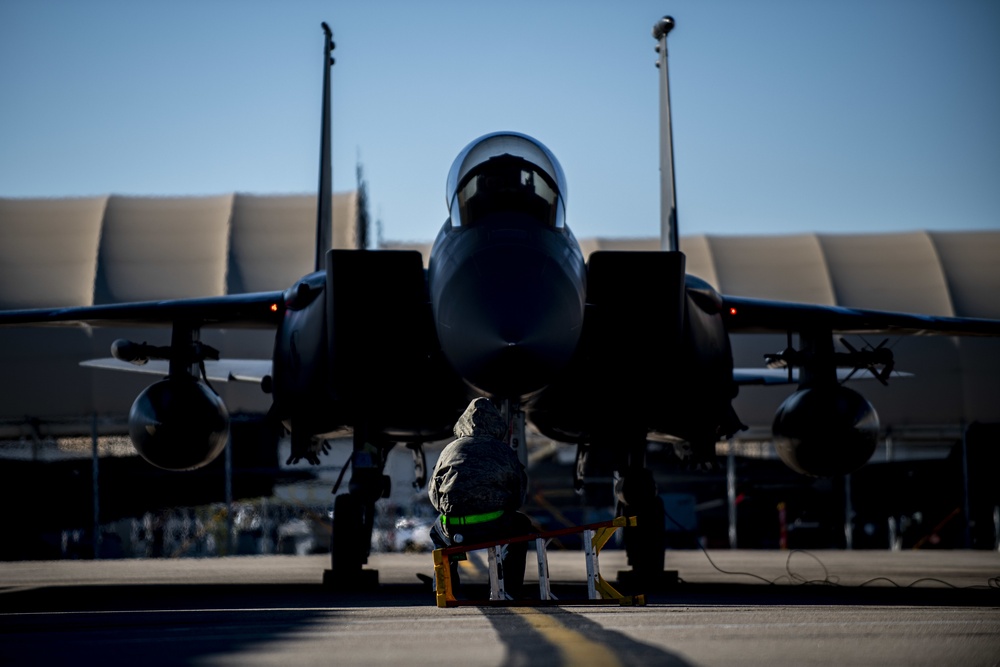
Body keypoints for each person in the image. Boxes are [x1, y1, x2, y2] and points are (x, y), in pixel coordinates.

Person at [428, 397, 533, 597]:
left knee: (438, 533)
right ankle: (509, 588)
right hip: (496, 527)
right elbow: (520, 492)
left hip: (456, 526)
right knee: (522, 525)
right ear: (496, 424)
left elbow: (434, 493)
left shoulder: (450, 450)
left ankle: (444, 589)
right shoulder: (504, 451)